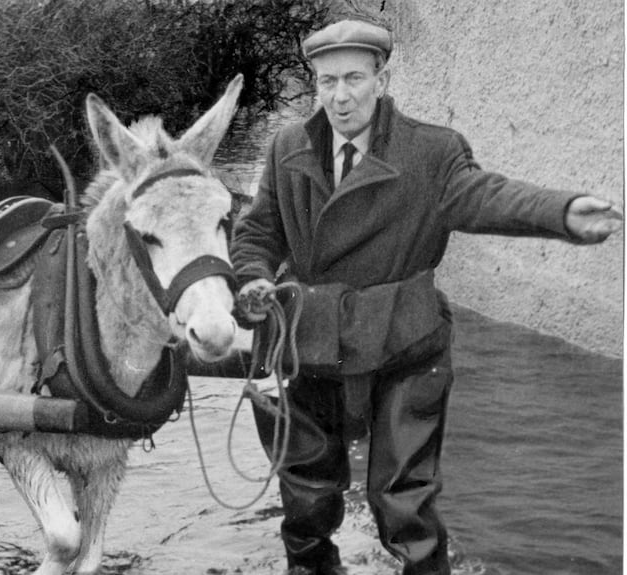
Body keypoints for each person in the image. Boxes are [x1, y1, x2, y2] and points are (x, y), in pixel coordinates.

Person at [229, 19, 622, 575]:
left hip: (404, 343)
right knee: (306, 501)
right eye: (326, 81)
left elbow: (485, 197)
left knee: (403, 502)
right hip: (308, 341)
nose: (340, 97)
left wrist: (559, 212)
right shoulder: (287, 147)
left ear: (381, 80)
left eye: (354, 79)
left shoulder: (432, 151)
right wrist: (250, 276)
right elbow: (257, 232)